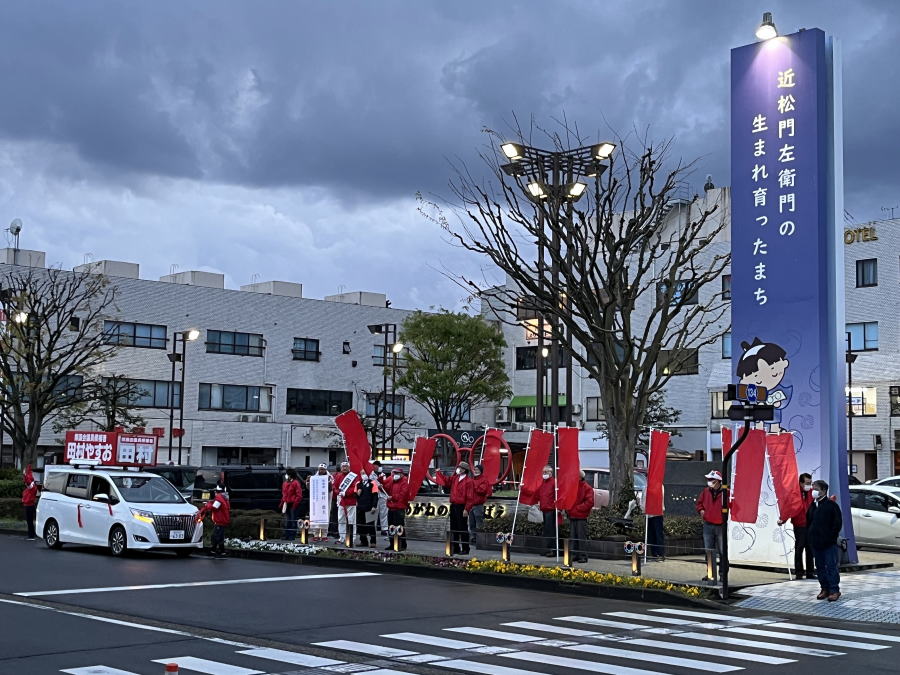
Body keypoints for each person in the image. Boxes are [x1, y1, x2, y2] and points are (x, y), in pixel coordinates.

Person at [807, 479, 842, 602]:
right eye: (813, 489)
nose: (813, 491)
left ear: (824, 491)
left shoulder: (831, 505)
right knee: (820, 567)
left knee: (831, 566)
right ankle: (824, 588)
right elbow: (809, 522)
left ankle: (834, 590)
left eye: (816, 489)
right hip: (816, 543)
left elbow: (837, 524)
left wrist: (831, 537)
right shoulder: (813, 505)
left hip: (828, 543)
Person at [777, 472, 815, 579]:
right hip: (799, 524)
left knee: (810, 549)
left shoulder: (811, 492)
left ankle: (810, 572)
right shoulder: (795, 493)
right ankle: (799, 572)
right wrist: (783, 519)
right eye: (807, 483)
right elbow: (789, 507)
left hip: (810, 524)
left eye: (810, 483)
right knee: (799, 548)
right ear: (801, 483)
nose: (809, 485)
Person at [435, 461, 474, 555]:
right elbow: (446, 481)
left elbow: (470, 497)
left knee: (462, 528)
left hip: (462, 506)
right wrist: (438, 473)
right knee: (454, 527)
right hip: (454, 505)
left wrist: (466, 509)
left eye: (460, 468)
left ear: (464, 470)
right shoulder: (455, 478)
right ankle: (456, 547)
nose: (458, 469)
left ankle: (465, 548)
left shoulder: (469, 481)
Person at [696, 469, 728, 584]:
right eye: (708, 479)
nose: (709, 481)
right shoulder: (706, 491)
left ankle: (723, 576)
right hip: (708, 524)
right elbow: (699, 503)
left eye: (711, 479)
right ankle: (711, 574)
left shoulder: (726, 492)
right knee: (708, 551)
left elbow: (732, 505)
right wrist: (701, 510)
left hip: (720, 525)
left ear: (718, 481)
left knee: (722, 552)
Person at [197, 482, 231, 558]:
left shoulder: (219, 498)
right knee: (220, 536)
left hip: (219, 520)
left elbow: (214, 507)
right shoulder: (225, 497)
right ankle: (221, 551)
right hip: (223, 520)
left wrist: (207, 504)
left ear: (217, 491)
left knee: (216, 536)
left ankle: (214, 551)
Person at [567, 470, 594, 563]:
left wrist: (577, 508)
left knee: (581, 537)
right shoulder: (573, 487)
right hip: (573, 514)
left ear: (580, 477)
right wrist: (569, 509)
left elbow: (589, 502)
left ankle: (582, 556)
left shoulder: (587, 488)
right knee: (573, 537)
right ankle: (575, 554)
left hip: (581, 516)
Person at [382, 467, 409, 550]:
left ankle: (402, 545)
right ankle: (392, 544)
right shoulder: (391, 481)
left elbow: (403, 495)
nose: (395, 475)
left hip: (399, 508)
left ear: (401, 474)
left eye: (397, 473)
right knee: (391, 527)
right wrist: (380, 484)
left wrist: (392, 497)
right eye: (394, 473)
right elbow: (386, 489)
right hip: (391, 508)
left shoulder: (405, 482)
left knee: (399, 527)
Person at [333, 461, 359, 545]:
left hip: (351, 501)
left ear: (349, 467)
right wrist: (338, 492)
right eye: (343, 466)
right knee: (341, 519)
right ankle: (342, 538)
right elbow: (334, 486)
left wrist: (346, 493)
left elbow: (355, 487)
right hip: (341, 501)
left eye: (346, 466)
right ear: (341, 468)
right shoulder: (338, 476)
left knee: (351, 520)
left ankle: (352, 538)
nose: (344, 468)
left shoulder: (353, 476)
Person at [468, 464, 492, 549]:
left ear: (481, 471)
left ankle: (480, 540)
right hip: (471, 505)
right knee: (472, 524)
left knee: (479, 524)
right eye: (474, 469)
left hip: (478, 505)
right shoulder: (472, 479)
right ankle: (473, 538)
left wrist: (473, 486)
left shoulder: (483, 480)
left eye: (477, 470)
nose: (475, 471)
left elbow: (482, 490)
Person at [306, 463, 333, 542]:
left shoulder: (330, 477)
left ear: (325, 470)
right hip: (317, 501)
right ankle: (316, 534)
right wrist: (308, 480)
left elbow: (331, 489)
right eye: (320, 469)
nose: (321, 471)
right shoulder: (314, 477)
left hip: (326, 500)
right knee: (316, 516)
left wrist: (329, 482)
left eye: (323, 469)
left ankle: (324, 535)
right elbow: (309, 488)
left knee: (325, 516)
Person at [538, 465, 558, 557]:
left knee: (550, 530)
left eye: (546, 472)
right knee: (546, 530)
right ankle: (546, 549)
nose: (544, 473)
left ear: (551, 473)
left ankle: (552, 550)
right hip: (545, 508)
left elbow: (557, 495)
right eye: (543, 472)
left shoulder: (554, 482)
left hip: (551, 509)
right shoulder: (543, 482)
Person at [280, 468, 303, 541]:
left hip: (293, 503)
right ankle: (286, 535)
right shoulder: (285, 483)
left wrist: (295, 503)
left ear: (290, 475)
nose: (286, 475)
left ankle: (292, 535)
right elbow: (284, 494)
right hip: (287, 503)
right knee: (287, 520)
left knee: (293, 520)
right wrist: (282, 503)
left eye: (287, 474)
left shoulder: (296, 483)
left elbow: (299, 495)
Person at [355, 473, 378, 548]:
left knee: (370, 525)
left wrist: (374, 506)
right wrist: (357, 493)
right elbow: (355, 495)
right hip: (360, 507)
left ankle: (373, 542)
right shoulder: (358, 483)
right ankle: (363, 541)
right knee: (360, 525)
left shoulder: (372, 483)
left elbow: (375, 495)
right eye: (362, 473)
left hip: (369, 507)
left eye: (364, 473)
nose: (363, 475)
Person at [372, 460, 390, 536]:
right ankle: (372, 529)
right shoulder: (370, 474)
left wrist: (382, 484)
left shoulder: (383, 474)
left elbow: (386, 484)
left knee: (384, 513)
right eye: (374, 466)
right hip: (374, 496)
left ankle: (384, 529)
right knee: (373, 513)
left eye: (377, 466)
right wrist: (377, 485)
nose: (376, 467)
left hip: (383, 496)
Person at [22, 465, 39, 541]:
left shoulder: (31, 487)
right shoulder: (31, 487)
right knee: (29, 521)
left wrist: (25, 475)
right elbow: (28, 481)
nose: (25, 484)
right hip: (28, 505)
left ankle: (31, 536)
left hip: (29, 506)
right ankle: (31, 535)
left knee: (30, 521)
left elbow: (28, 481)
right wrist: (26, 473)